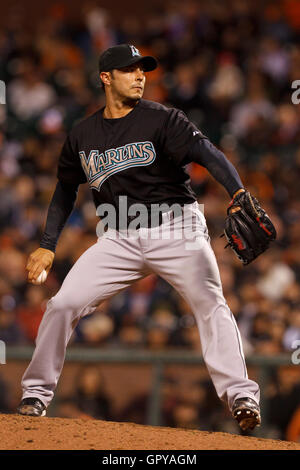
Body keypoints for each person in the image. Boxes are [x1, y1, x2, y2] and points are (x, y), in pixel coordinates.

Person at [17, 44, 261, 431]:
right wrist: (48, 244)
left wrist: (236, 191)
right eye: (130, 70)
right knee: (63, 303)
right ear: (106, 77)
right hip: (118, 237)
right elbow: (65, 189)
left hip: (176, 228)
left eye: (142, 70)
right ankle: (36, 393)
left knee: (210, 303)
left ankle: (242, 396)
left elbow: (206, 151)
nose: (140, 76)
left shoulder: (163, 119)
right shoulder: (83, 134)